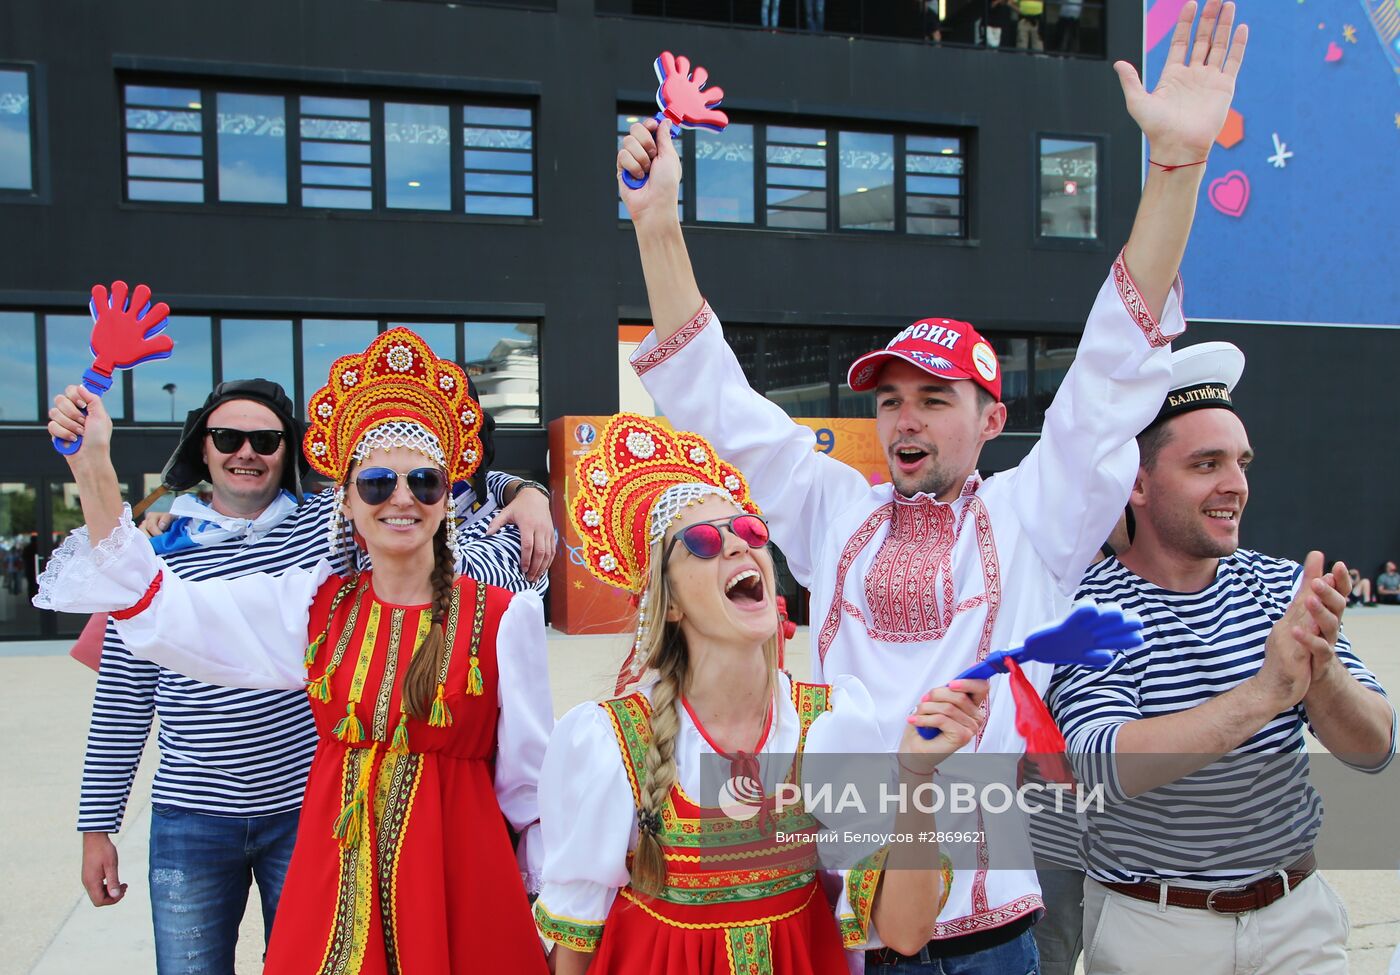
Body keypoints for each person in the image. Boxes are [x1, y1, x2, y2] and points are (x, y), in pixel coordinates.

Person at [614, 2, 1246, 968]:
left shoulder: (1038, 511)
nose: (905, 419)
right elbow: (718, 401)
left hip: (994, 925)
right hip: (848, 911)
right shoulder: (832, 509)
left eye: (935, 399)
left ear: (992, 420)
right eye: (892, 399)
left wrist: (1177, 171)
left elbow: (1114, 368)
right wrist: (657, 224)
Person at [41, 327, 554, 974]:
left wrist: (555, 904)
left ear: (446, 497)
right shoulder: (312, 605)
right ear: (344, 498)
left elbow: (532, 791)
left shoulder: (505, 619)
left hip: (461, 878)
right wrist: (92, 465)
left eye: (424, 481)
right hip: (333, 878)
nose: (400, 497)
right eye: (375, 482)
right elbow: (160, 611)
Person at [533, 413, 987, 973]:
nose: (738, 548)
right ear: (668, 603)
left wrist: (916, 777)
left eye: (749, 531)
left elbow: (905, 932)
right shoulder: (610, 742)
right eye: (701, 541)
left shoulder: (828, 726)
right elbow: (576, 945)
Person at [1048, 341, 1396, 975]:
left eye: (1241, 462)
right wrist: (1266, 691)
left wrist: (1320, 674)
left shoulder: (1282, 588)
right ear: (1137, 482)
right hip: (1155, 930)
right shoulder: (1089, 608)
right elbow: (1099, 763)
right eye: (1206, 463)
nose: (1234, 484)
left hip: (1298, 921)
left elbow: (1375, 749)